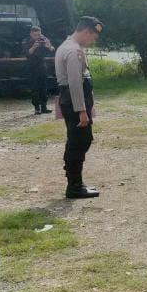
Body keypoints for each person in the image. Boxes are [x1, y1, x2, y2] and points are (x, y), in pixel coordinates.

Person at [55, 16, 104, 199]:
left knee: (77, 141)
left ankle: (75, 181)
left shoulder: (67, 47)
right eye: (93, 37)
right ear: (86, 32)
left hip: (71, 101)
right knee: (79, 142)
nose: (93, 42)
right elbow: (75, 84)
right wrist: (82, 111)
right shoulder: (73, 51)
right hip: (75, 102)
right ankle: (74, 185)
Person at [22, 25, 54, 115]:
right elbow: (26, 54)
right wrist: (34, 47)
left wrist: (49, 46)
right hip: (31, 66)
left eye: (39, 35)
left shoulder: (43, 39)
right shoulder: (26, 41)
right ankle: (37, 108)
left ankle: (44, 107)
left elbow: (52, 50)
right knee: (34, 88)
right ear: (31, 33)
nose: (37, 37)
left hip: (42, 65)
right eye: (35, 35)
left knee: (44, 87)